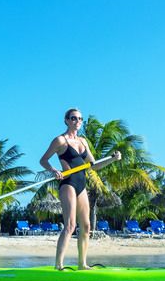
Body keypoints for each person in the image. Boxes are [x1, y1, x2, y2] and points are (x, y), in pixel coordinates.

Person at [39, 108, 121, 270]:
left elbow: (94, 165)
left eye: (80, 119)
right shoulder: (60, 141)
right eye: (74, 118)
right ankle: (58, 265)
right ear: (66, 120)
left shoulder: (83, 141)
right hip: (67, 183)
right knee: (70, 225)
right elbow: (43, 160)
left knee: (86, 225)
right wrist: (54, 170)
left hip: (81, 184)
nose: (77, 121)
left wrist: (112, 159)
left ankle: (82, 264)